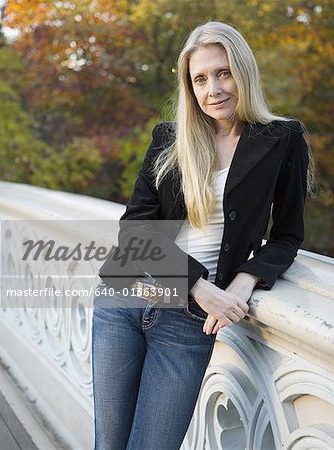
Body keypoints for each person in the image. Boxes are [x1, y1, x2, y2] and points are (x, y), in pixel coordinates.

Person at [92, 21, 312, 450]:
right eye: (200, 79)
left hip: (187, 323)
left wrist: (245, 280)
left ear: (243, 72)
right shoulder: (169, 140)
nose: (213, 88)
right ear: (189, 86)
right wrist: (199, 286)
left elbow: (287, 235)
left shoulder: (282, 139)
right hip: (124, 300)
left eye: (223, 72)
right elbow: (134, 230)